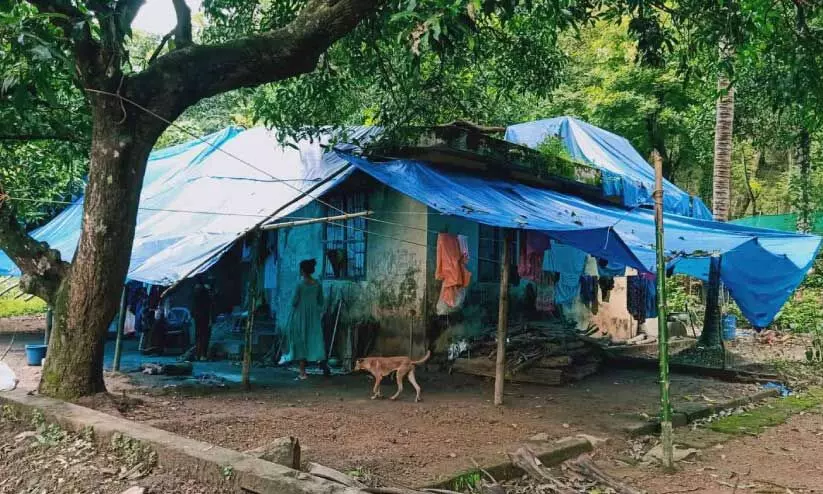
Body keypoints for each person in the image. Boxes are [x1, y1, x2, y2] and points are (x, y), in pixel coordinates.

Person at [287, 259, 326, 380]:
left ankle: (302, 373)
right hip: (314, 317)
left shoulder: (300, 285)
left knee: (301, 342)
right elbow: (321, 302)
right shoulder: (317, 284)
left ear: (303, 270)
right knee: (315, 340)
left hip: (300, 317)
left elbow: (294, 301)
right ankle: (322, 364)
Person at [192, 276, 213, 360]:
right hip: (204, 315)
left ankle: (198, 354)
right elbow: (210, 305)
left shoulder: (196, 291)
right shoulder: (205, 292)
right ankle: (202, 355)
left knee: (198, 335)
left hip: (198, 315)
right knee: (204, 335)